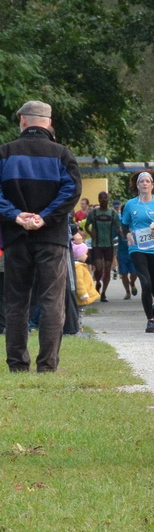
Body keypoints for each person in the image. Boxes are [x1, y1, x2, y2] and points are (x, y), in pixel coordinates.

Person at [0, 102, 81, 372]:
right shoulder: (62, 155)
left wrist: (16, 215)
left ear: (23, 120)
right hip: (52, 238)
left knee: (16, 301)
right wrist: (44, 217)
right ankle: (47, 365)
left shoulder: (6, 152)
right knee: (51, 301)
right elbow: (71, 191)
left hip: (15, 237)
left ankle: (17, 365)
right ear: (48, 122)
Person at [119, 170, 154, 334]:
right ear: (137, 185)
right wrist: (127, 233)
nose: (144, 184)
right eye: (141, 181)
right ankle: (150, 320)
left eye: (147, 181)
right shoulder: (130, 204)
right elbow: (125, 224)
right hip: (137, 248)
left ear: (152, 185)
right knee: (145, 283)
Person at [85, 191, 120, 301]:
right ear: (99, 200)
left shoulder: (113, 213)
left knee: (107, 269)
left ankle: (103, 292)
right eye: (102, 198)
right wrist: (91, 233)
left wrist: (125, 235)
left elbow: (118, 227)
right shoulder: (93, 213)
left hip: (109, 244)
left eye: (106, 198)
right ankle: (98, 282)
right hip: (97, 244)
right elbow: (86, 225)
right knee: (99, 268)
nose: (104, 200)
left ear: (108, 199)